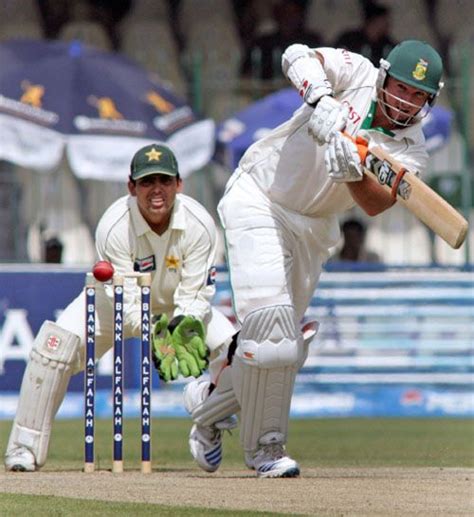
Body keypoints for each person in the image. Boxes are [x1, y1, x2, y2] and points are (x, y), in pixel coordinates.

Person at [183, 39, 444, 477]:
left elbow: (377, 203)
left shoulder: (411, 149)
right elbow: (295, 54)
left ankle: (207, 407)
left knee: (283, 350)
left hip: (315, 228)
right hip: (261, 197)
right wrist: (321, 98)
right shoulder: (355, 73)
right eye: (401, 88)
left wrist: (353, 170)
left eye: (418, 96)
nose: (405, 102)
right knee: (271, 328)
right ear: (383, 76)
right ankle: (266, 450)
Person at [4, 143, 236, 472]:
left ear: (178, 185)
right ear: (132, 187)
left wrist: (180, 330)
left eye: (165, 181)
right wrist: (159, 337)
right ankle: (24, 448)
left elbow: (195, 293)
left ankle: (210, 419)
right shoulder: (113, 226)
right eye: (147, 182)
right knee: (51, 349)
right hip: (112, 304)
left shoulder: (200, 223)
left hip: (178, 308)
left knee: (238, 353)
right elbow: (127, 302)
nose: (157, 190)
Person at [240, 0, 323, 80]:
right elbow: (246, 74)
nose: (288, 19)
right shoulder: (263, 43)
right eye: (285, 14)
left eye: (293, 14)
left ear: (300, 16)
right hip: (267, 92)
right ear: (277, 16)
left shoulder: (312, 42)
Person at [333, 1, 397, 66]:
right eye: (383, 21)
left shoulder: (388, 46)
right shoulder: (349, 40)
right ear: (373, 21)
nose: (387, 25)